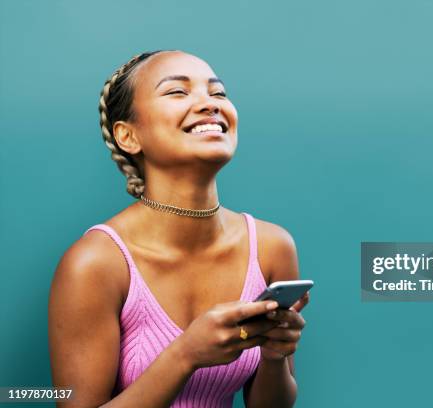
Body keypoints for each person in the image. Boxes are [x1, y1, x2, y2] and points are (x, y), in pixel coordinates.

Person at [48, 50, 309, 408]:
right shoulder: (95, 263)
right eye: (177, 92)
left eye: (217, 93)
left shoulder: (272, 247)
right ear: (128, 136)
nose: (209, 104)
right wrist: (185, 355)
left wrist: (275, 357)